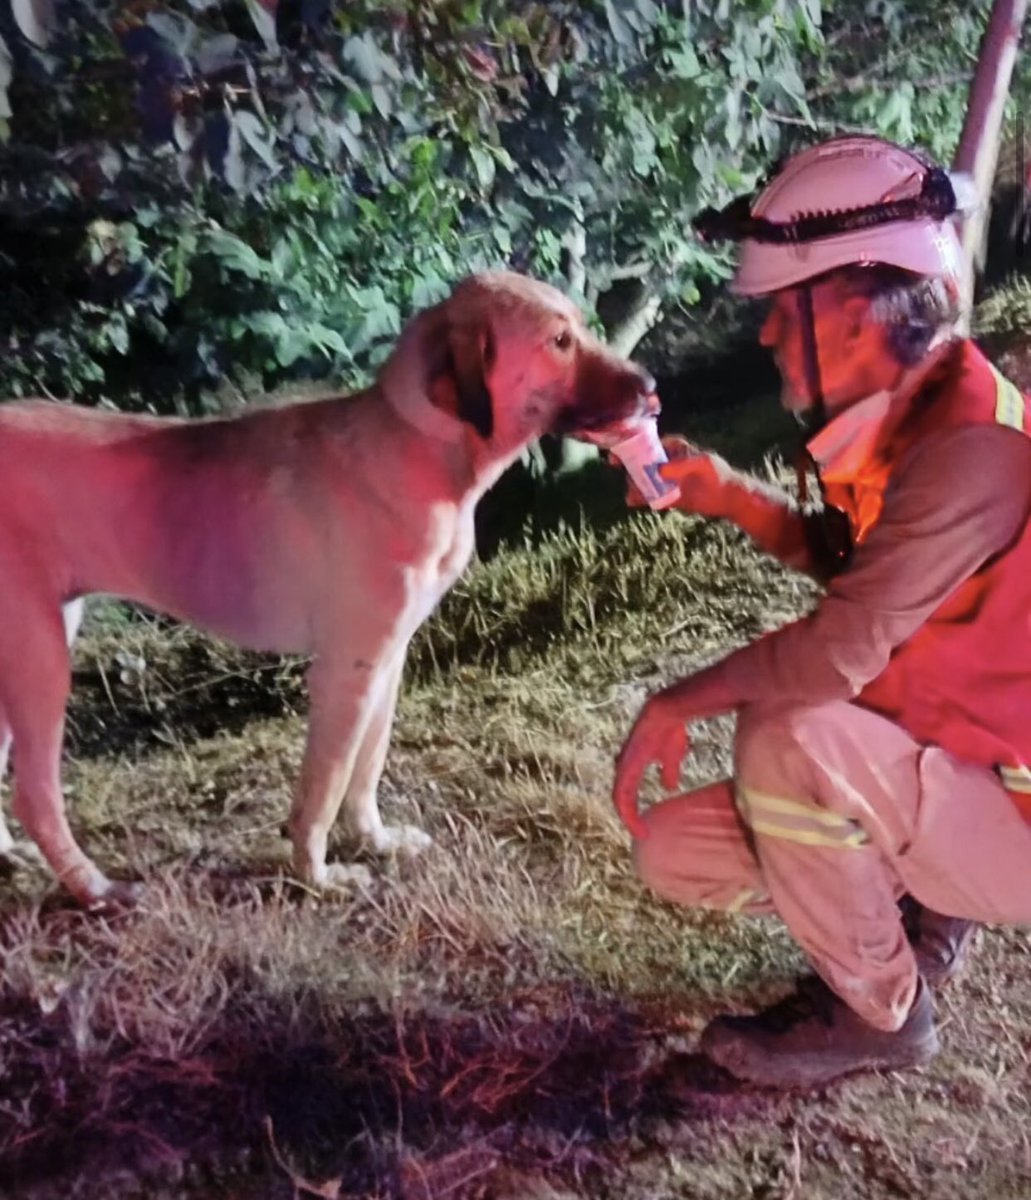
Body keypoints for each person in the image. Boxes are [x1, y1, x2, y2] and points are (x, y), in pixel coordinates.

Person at [613, 134, 1031, 1088]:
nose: (763, 336)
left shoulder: (974, 450)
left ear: (848, 307)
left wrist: (679, 701)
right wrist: (731, 497)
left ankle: (880, 1013)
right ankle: (907, 910)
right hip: (956, 758)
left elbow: (837, 652)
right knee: (676, 853)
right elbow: (851, 565)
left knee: (788, 733)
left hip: (1014, 803)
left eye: (778, 310)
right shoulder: (913, 422)